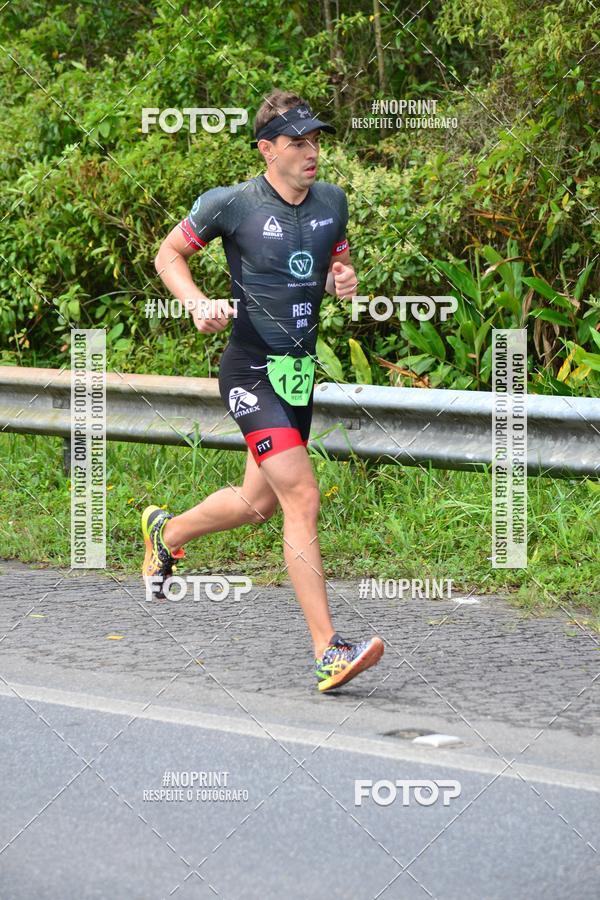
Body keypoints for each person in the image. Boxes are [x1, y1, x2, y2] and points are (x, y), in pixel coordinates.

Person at [143, 89, 384, 692]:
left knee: (260, 505)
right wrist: (196, 303)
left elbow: (334, 264)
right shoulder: (231, 205)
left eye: (316, 140)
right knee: (302, 496)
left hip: (297, 374)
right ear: (267, 149)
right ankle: (328, 650)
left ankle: (165, 533)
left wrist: (342, 276)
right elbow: (167, 254)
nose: (312, 152)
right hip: (250, 369)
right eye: (298, 142)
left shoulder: (333, 201)